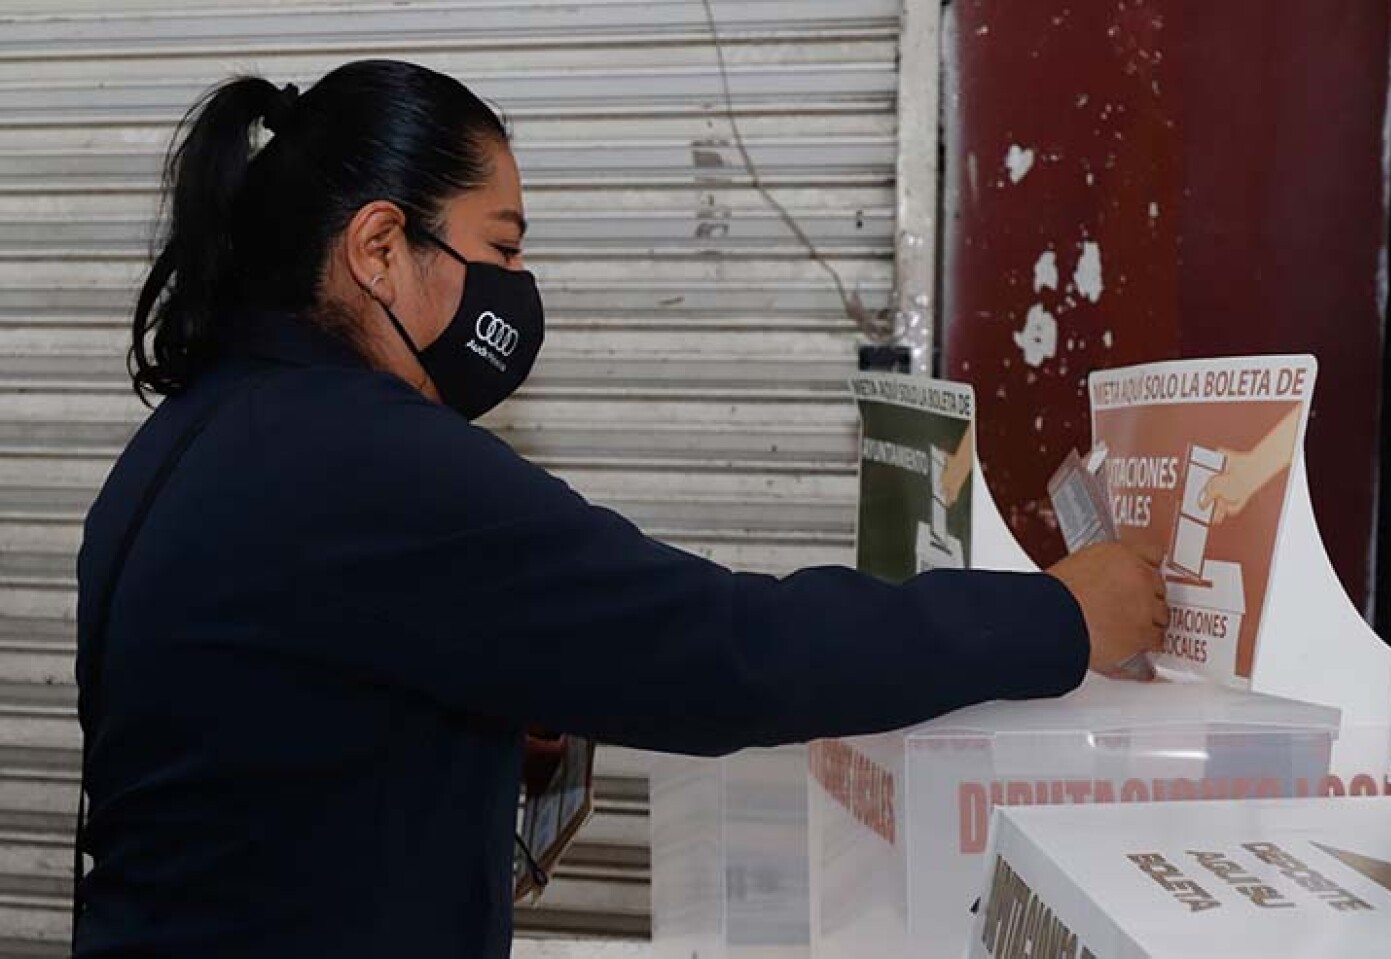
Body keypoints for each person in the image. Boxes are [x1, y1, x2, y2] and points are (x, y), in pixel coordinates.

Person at [73, 60, 1166, 959]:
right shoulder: (367, 460)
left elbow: (269, 755)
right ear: (378, 249)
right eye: (499, 247)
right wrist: (1057, 617)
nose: (517, 282)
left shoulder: (185, 441)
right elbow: (729, 649)